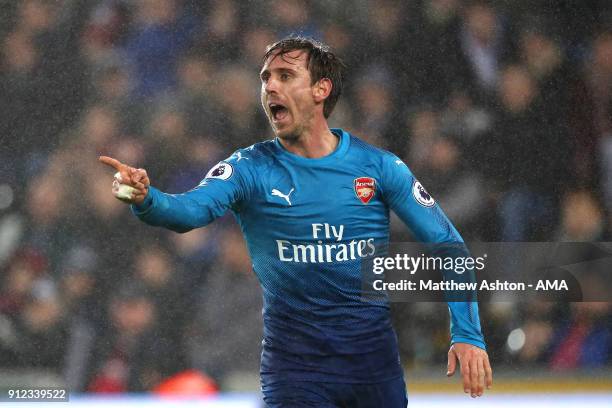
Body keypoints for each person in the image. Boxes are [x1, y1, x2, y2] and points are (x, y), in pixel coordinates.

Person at [100, 36, 492, 407]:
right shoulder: (248, 168)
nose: (270, 86)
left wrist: (467, 332)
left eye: (285, 76)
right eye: (265, 78)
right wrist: (148, 198)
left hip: (373, 370)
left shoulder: (378, 166)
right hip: (295, 369)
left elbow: (448, 244)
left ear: (321, 90)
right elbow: (190, 212)